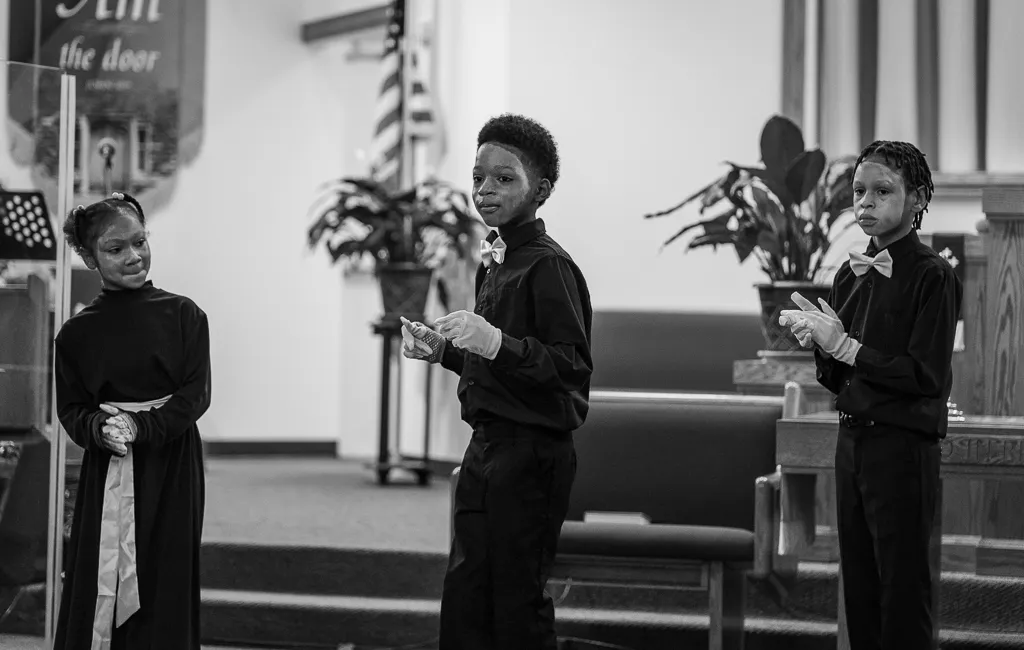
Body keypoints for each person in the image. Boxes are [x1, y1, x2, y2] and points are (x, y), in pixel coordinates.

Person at [401, 113, 593, 650]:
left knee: (515, 602)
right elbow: (498, 368)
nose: (485, 189)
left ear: (541, 190)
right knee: (465, 592)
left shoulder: (549, 267)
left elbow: (570, 367)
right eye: (478, 176)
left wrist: (494, 342)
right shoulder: (495, 261)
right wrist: (445, 352)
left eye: (504, 178)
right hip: (485, 446)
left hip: (532, 454)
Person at [779, 141, 962, 649]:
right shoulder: (849, 273)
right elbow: (841, 379)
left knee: (901, 592)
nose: (866, 202)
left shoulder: (933, 275)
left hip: (902, 447)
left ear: (917, 198)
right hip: (852, 443)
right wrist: (822, 348)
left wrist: (847, 347)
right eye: (859, 191)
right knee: (858, 589)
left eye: (882, 191)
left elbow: (924, 376)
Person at [52, 192, 211, 650]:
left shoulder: (184, 314)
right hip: (110, 467)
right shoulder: (76, 333)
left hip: (172, 463)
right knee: (104, 570)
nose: (134, 256)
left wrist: (142, 426)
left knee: (166, 571)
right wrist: (100, 430)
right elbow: (72, 409)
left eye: (140, 242)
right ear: (90, 258)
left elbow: (195, 395)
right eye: (115, 248)